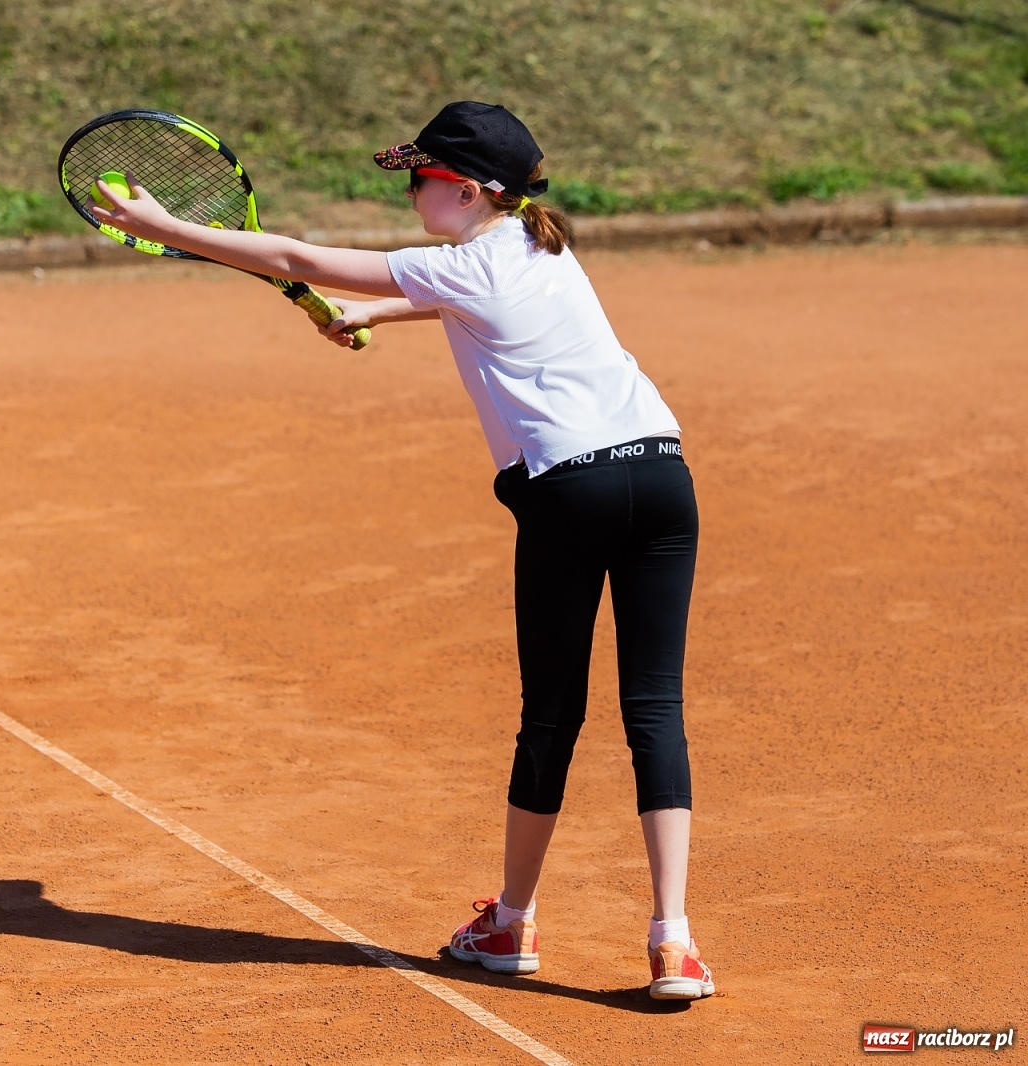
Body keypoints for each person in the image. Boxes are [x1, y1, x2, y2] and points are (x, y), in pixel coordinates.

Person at [90, 100, 714, 1001]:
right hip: (663, 478)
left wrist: (166, 227)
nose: (411, 189)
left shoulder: (462, 263)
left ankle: (511, 924)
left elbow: (296, 257)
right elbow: (463, 301)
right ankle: (675, 941)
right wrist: (368, 309)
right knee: (654, 707)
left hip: (569, 494)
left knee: (552, 716)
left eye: (420, 179)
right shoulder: (543, 245)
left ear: (465, 191)